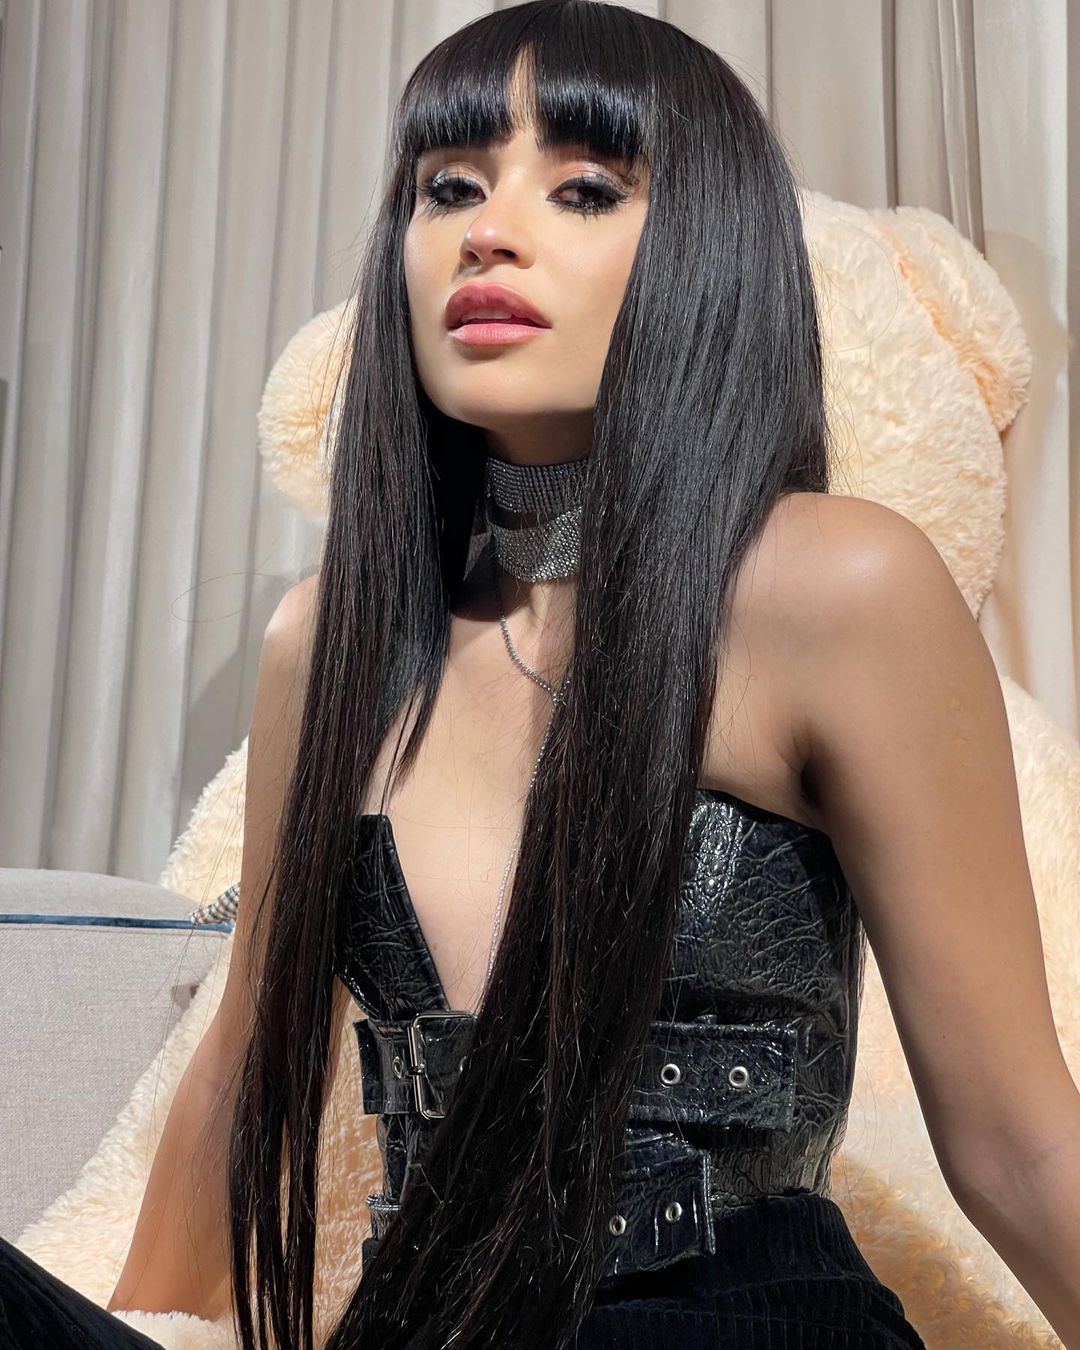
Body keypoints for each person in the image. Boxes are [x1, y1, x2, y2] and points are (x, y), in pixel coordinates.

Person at [4, 2, 1080, 1347]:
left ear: (705, 250)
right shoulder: (330, 643)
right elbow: (242, 1070)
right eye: (448, 187)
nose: (487, 231)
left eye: (584, 189)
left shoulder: (839, 585)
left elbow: (1018, 1141)